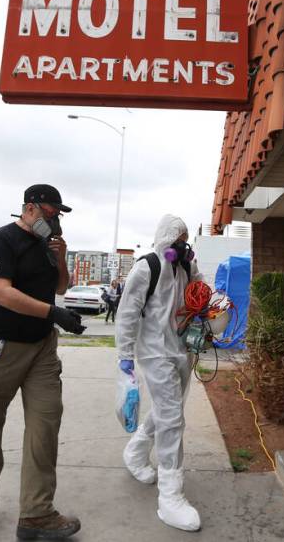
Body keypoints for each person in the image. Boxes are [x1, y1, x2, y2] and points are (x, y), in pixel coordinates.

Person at [0, 184, 87, 542]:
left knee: (45, 424)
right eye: (52, 212)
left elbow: (62, 286)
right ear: (31, 208)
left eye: (60, 214)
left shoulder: (46, 246)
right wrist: (54, 313)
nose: (56, 219)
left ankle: (36, 514)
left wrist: (61, 256)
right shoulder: (3, 239)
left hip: (41, 348)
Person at [116, 214, 203, 532]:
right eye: (177, 240)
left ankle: (136, 451)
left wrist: (217, 306)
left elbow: (202, 293)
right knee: (172, 419)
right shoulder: (148, 266)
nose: (182, 245)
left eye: (185, 239)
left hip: (181, 350)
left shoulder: (187, 268)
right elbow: (127, 313)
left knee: (170, 411)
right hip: (154, 352)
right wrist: (125, 357)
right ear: (166, 240)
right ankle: (171, 497)